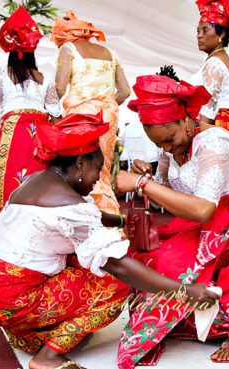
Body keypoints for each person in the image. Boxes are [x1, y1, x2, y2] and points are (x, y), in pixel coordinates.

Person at [0, 112, 218, 369]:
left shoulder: (36, 182)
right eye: (97, 169)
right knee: (114, 283)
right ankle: (48, 357)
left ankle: (25, 332)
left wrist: (122, 219)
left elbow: (89, 216)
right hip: (12, 299)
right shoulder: (69, 205)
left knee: (82, 264)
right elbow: (118, 265)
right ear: (80, 163)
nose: (98, 179)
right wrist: (185, 291)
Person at [113, 75, 229, 369]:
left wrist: (142, 184)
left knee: (174, 262)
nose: (166, 147)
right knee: (150, 255)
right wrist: (149, 177)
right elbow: (171, 197)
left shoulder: (215, 142)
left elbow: (201, 208)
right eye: (159, 144)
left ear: (186, 119)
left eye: (169, 139)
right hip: (212, 220)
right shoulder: (170, 147)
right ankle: (189, 319)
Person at [0, 7, 61, 214]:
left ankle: (9, 238)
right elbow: (56, 117)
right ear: (32, 51)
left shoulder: (1, 76)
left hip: (13, 136)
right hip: (40, 142)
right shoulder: (45, 79)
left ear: (10, 50)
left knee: (11, 190)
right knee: (39, 193)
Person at [51, 10, 130, 215]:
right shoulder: (111, 54)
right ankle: (108, 217)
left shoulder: (68, 49)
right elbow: (125, 91)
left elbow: (59, 89)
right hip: (107, 116)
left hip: (81, 116)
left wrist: (49, 114)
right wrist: (106, 105)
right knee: (101, 170)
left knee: (79, 170)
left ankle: (85, 219)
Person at [189, 0, 229, 138]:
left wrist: (197, 135)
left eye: (205, 30)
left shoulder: (214, 62)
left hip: (214, 126)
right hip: (223, 123)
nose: (199, 35)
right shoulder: (219, 57)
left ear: (221, 34)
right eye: (198, 31)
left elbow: (209, 105)